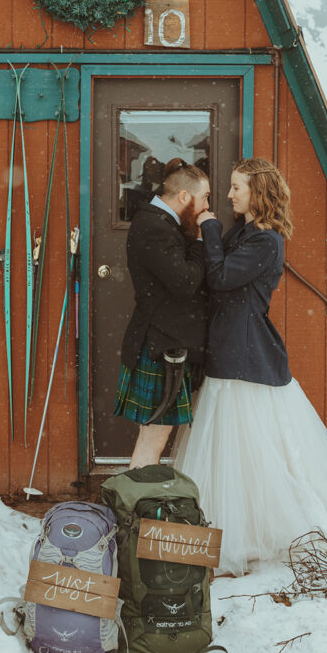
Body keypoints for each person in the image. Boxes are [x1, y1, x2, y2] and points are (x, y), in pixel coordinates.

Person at [172, 157, 327, 575]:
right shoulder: (246, 232)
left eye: (237, 187)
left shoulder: (265, 241)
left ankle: (249, 531)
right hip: (228, 342)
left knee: (248, 447)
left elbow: (218, 276)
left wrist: (209, 227)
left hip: (245, 349)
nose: (229, 193)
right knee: (233, 449)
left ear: (257, 192)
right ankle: (236, 526)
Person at [115, 163, 211, 469]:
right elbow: (184, 282)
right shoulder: (154, 227)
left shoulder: (161, 222)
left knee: (155, 431)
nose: (208, 206)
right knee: (155, 433)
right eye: (205, 198)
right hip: (159, 344)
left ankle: (135, 502)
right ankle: (134, 506)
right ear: (185, 196)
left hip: (164, 340)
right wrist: (199, 241)